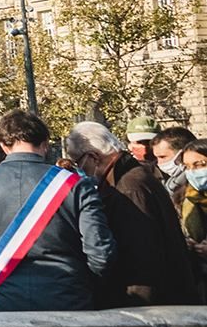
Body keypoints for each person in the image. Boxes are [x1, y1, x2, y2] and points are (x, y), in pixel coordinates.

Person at [0, 108, 111, 312]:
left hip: (4, 298)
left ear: (4, 146)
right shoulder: (76, 184)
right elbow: (101, 253)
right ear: (46, 144)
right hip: (68, 297)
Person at [65, 120, 195, 306]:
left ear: (94, 156)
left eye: (78, 162)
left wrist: (136, 308)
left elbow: (142, 256)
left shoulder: (129, 187)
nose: (79, 168)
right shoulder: (129, 177)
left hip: (151, 303)